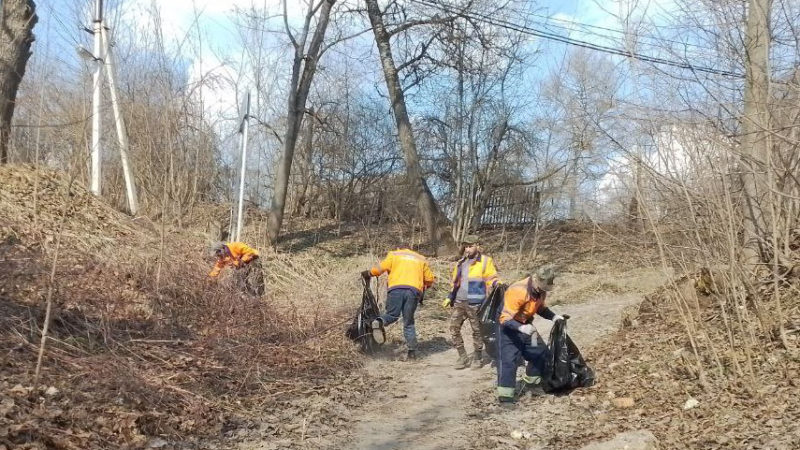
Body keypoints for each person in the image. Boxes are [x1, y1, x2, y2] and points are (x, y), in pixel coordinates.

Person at [496, 265, 565, 403]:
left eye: (545, 288)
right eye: (541, 287)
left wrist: (553, 317)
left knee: (540, 352)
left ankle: (532, 383)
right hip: (508, 329)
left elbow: (539, 308)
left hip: (527, 327)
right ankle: (505, 397)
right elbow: (505, 318)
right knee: (509, 361)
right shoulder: (518, 291)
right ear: (535, 279)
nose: (542, 290)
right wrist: (520, 328)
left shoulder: (541, 290)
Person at [362, 246, 435, 360]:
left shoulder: (394, 255)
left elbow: (380, 268)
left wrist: (369, 273)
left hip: (396, 289)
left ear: (399, 248)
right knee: (408, 322)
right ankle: (412, 354)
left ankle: (379, 321)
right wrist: (423, 287)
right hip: (413, 291)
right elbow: (429, 279)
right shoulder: (420, 258)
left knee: (392, 314)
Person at [442, 234, 500, 369]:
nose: (467, 249)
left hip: (476, 303)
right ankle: (462, 357)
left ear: (477, 246)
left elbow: (492, 277)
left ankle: (478, 358)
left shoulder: (485, 261)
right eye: (466, 246)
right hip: (459, 302)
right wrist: (450, 296)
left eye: (470, 246)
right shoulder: (461, 263)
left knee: (477, 331)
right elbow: (455, 283)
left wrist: (497, 283)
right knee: (454, 329)